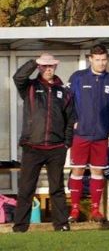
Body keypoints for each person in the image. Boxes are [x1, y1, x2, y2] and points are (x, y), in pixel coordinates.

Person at [12, 53, 75, 232]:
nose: (48, 69)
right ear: (40, 67)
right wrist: (34, 62)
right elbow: (18, 77)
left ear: (55, 67)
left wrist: (66, 144)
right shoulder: (29, 87)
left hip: (56, 148)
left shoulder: (64, 92)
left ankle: (62, 225)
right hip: (32, 147)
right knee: (26, 189)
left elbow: (71, 120)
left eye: (51, 66)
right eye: (45, 66)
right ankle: (20, 227)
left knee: (57, 188)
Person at [68, 44, 109, 223]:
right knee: (77, 170)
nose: (101, 63)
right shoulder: (77, 78)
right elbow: (67, 103)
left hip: (100, 135)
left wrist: (108, 126)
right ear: (90, 59)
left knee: (97, 172)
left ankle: (95, 210)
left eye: (104, 60)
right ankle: (75, 210)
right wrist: (74, 122)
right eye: (98, 60)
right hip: (81, 134)